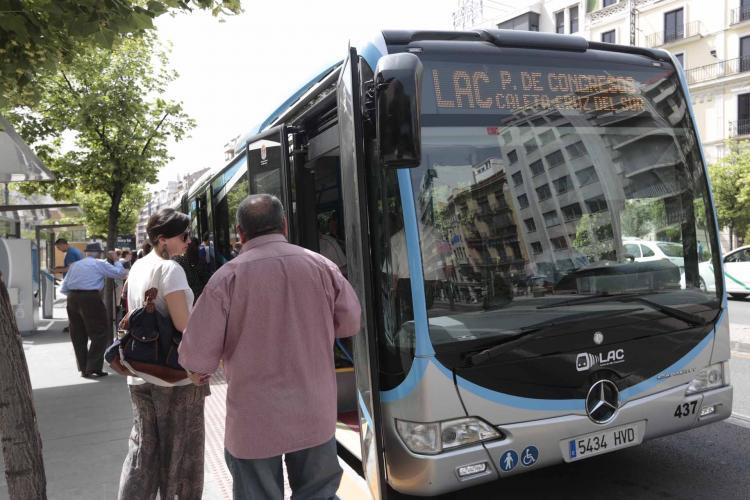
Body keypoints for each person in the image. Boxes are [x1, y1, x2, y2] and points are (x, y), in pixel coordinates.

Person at [179, 194, 361, 500]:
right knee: (319, 493)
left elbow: (196, 357)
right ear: (284, 225)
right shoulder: (322, 266)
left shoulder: (226, 278)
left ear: (240, 232)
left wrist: (201, 371)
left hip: (254, 420)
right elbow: (350, 323)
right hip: (314, 410)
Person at [117, 208, 209, 500]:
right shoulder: (171, 269)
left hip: (141, 372)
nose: (188, 242)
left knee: (144, 451)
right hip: (175, 377)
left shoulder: (138, 267)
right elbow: (184, 325)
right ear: (162, 239)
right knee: (181, 457)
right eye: (184, 236)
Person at [60, 242, 128, 378]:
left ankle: (83, 368)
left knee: (78, 334)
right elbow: (120, 274)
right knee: (100, 332)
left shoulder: (75, 265)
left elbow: (64, 287)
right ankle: (93, 366)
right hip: (90, 297)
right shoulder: (99, 263)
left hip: (72, 297)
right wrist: (116, 260)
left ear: (86, 253)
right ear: (99, 253)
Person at [173, 236, 211, 302]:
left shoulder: (179, 261)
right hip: (198, 298)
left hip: (188, 298)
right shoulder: (199, 261)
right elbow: (206, 279)